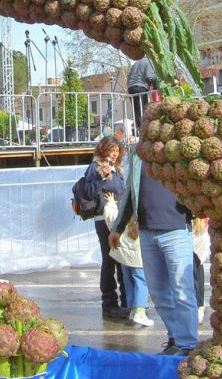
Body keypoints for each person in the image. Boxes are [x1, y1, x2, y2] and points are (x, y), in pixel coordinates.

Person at [109, 146, 199, 356]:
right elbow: (131, 192)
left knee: (182, 291)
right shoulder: (140, 154)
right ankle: (177, 338)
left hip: (176, 230)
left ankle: (187, 345)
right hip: (147, 232)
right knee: (159, 293)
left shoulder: (179, 150)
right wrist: (117, 228)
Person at [85, 136, 127, 320]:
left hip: (119, 219)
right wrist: (101, 177)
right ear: (103, 149)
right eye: (112, 150)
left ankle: (128, 301)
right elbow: (88, 192)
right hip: (103, 219)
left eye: (117, 150)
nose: (115, 153)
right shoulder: (95, 167)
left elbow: (123, 191)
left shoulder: (118, 169)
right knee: (109, 260)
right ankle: (109, 304)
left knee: (123, 260)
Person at [102, 191, 153, 327]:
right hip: (138, 259)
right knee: (141, 282)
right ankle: (140, 310)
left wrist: (111, 203)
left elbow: (109, 216)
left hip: (124, 258)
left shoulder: (122, 221)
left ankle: (131, 309)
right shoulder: (144, 221)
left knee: (128, 281)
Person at [127, 57, 156, 131]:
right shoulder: (149, 61)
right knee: (143, 111)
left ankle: (137, 130)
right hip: (141, 87)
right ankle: (143, 131)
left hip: (131, 88)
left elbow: (129, 77)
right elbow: (150, 76)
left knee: (136, 111)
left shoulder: (136, 63)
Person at [192, 217, 210, 325]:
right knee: (199, 279)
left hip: (190, 252)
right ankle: (200, 306)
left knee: (192, 279)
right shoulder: (204, 221)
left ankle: (197, 306)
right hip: (200, 252)